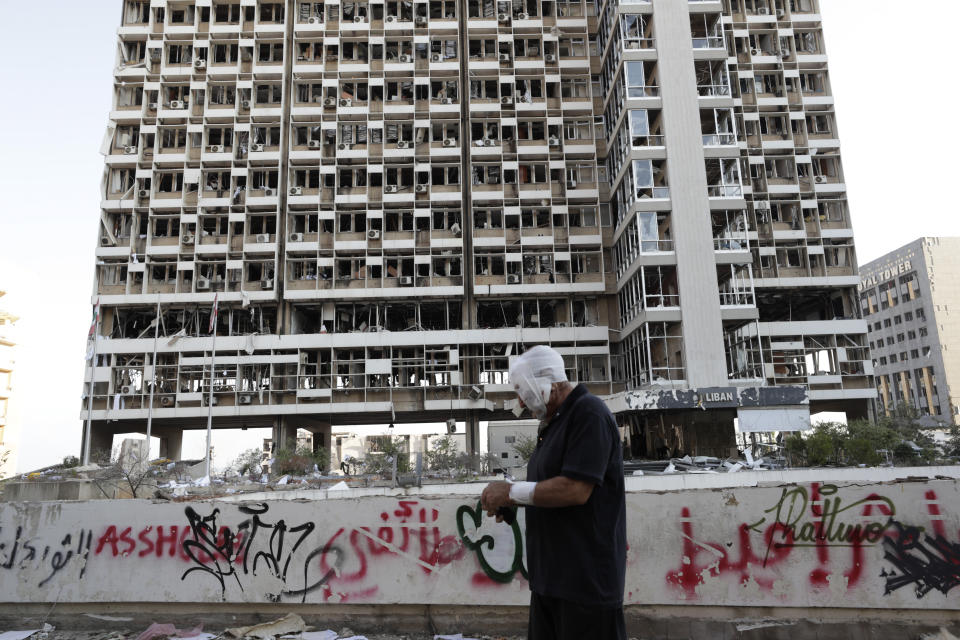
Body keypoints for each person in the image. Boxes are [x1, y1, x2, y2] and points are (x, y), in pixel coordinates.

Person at [480, 345, 626, 640]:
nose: (520, 401)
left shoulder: (589, 414)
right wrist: (513, 504)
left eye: (523, 391)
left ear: (549, 383)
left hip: (585, 585)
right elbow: (546, 487)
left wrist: (511, 493)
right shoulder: (552, 423)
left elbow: (575, 490)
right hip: (550, 581)